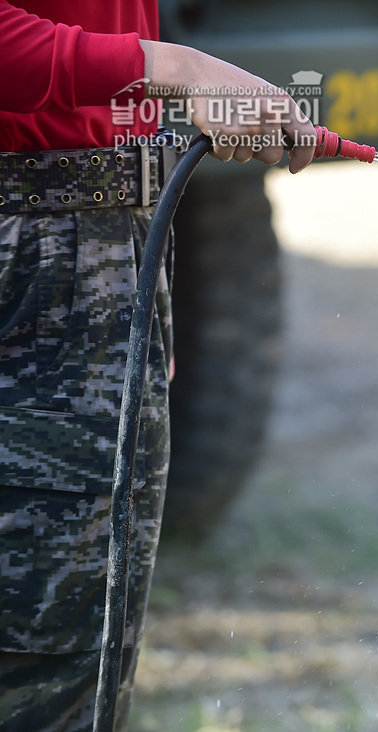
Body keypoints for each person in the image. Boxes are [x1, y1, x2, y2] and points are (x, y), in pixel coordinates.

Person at [0, 2, 315, 729]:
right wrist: (173, 67)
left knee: (77, 662)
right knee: (42, 676)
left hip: (89, 244)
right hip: (34, 249)